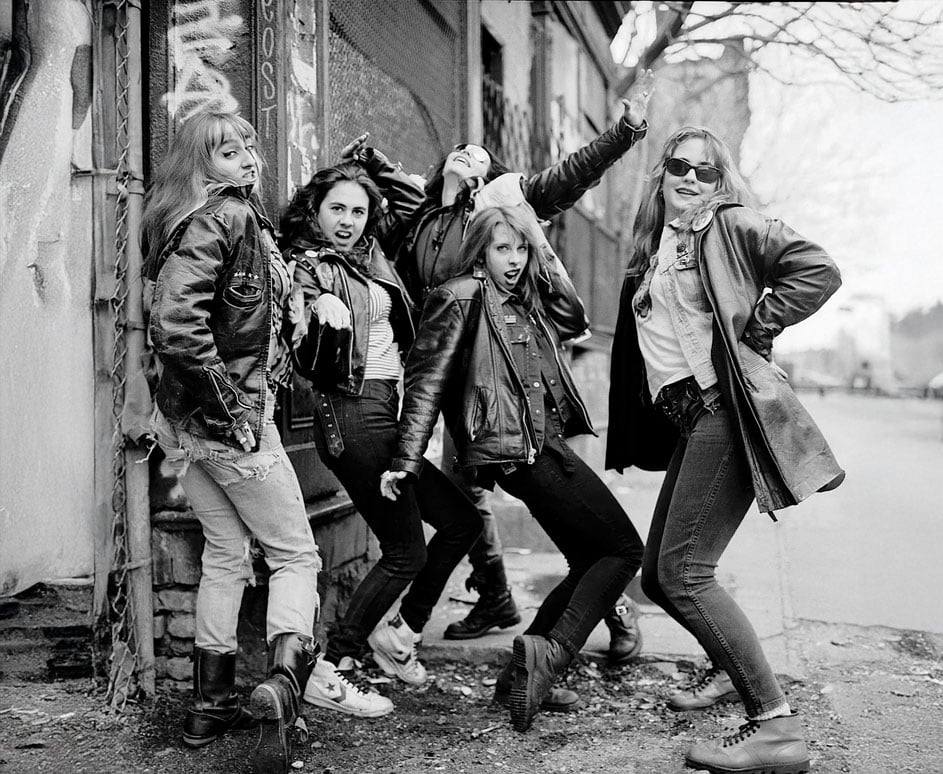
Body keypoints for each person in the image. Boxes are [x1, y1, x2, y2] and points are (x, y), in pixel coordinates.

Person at [349, 72, 653, 649]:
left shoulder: (500, 207)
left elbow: (570, 174)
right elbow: (369, 213)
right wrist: (368, 160)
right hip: (446, 372)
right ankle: (495, 595)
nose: (469, 151)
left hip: (500, 373)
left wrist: (624, 132)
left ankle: (608, 603)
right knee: (469, 494)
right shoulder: (420, 219)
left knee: (549, 502)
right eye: (460, 149)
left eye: (480, 153)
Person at [605, 125, 844, 774]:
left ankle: (776, 727)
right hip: (692, 419)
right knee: (659, 575)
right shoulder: (658, 245)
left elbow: (817, 268)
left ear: (720, 181)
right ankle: (727, 668)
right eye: (679, 166)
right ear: (661, 173)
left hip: (722, 412)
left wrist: (755, 331)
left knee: (684, 573)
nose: (690, 178)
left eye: (705, 170)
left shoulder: (727, 224)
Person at [380, 206, 645, 733]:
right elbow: (426, 381)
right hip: (521, 452)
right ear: (480, 250)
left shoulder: (522, 297)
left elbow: (573, 316)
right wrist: (407, 459)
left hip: (542, 446)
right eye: (504, 247)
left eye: (521, 248)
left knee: (588, 558)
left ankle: (518, 678)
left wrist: (539, 245)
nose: (515, 259)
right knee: (623, 549)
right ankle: (550, 656)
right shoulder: (459, 296)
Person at [143, 110, 320, 774]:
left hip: (186, 425)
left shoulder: (192, 219)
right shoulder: (227, 217)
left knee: (224, 552)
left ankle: (209, 705)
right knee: (296, 555)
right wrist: (234, 409)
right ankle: (283, 688)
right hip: (229, 422)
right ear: (199, 164)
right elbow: (175, 325)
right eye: (227, 152)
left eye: (249, 146)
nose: (248, 158)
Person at [280, 163, 483, 713]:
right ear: (314, 211)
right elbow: (299, 326)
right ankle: (331, 666)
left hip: (385, 413)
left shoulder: (371, 259)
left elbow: (414, 208)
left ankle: (397, 634)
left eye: (357, 210)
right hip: (352, 414)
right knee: (405, 552)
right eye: (336, 209)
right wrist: (314, 306)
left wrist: (378, 169)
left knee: (461, 522)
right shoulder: (308, 265)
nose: (347, 221)